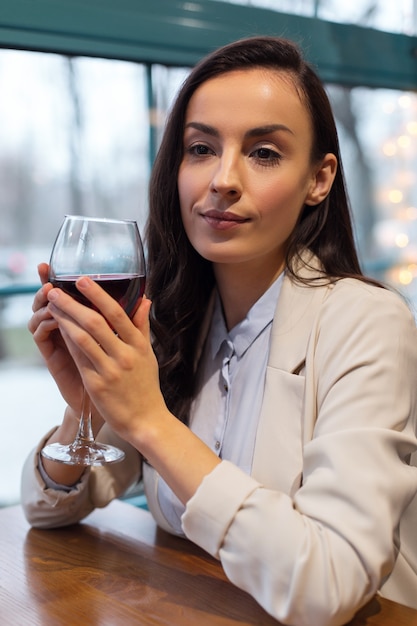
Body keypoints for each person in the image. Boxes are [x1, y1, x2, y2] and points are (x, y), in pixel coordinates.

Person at [22, 36, 417, 626]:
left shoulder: (367, 322)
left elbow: (330, 589)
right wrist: (86, 411)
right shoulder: (174, 316)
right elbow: (45, 510)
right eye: (201, 148)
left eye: (263, 153)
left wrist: (150, 422)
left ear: (319, 178)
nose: (223, 179)